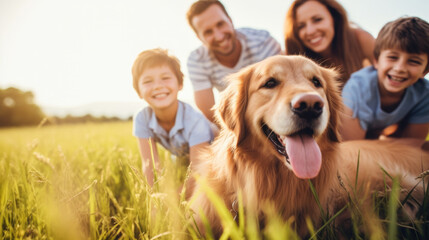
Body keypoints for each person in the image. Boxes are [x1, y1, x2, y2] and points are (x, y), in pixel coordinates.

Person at [186, 0, 281, 123]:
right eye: (208, 32)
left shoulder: (262, 42)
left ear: (230, 20)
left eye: (220, 24)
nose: (219, 36)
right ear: (199, 37)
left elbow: (284, 88)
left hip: (272, 109)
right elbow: (211, 113)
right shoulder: (197, 60)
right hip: (234, 115)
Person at [131, 48, 214, 189]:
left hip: (214, 155)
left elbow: (198, 174)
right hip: (184, 156)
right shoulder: (142, 119)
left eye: (165, 78)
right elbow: (149, 166)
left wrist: (172, 201)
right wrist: (155, 199)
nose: (157, 86)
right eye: (147, 81)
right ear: (138, 91)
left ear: (180, 84)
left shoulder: (195, 121)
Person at [340, 16, 429, 141]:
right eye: (392, 57)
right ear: (376, 60)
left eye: (413, 61)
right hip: (353, 140)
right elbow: (351, 148)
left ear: (425, 71)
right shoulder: (357, 88)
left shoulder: (424, 94)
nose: (399, 68)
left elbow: (412, 147)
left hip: (384, 138)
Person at [284, 0, 375, 84]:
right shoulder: (291, 58)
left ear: (334, 17)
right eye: (301, 26)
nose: (310, 31)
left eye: (317, 20)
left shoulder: (360, 38)